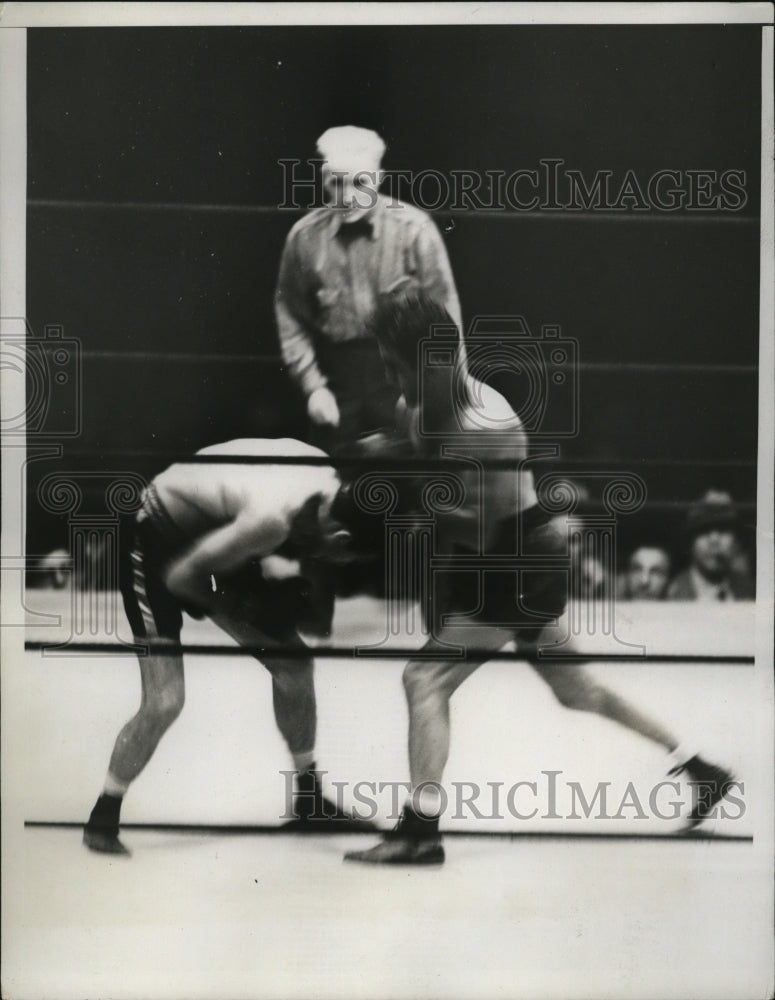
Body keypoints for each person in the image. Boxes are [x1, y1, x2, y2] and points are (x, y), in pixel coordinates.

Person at [344, 292, 735, 866]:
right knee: (579, 691)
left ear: (430, 363)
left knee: (424, 679)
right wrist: (382, 454)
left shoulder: (487, 426)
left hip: (517, 561)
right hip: (501, 559)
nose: (387, 377)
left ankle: (420, 830)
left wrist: (394, 494)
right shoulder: (420, 406)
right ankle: (700, 766)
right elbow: (428, 478)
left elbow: (474, 531)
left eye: (394, 365)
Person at [83, 438, 369, 856]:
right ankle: (103, 814)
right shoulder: (273, 518)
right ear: (341, 538)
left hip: (211, 536)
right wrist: (240, 602)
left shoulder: (324, 484)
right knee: (165, 700)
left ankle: (309, 798)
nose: (329, 564)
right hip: (154, 540)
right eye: (340, 560)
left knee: (294, 665)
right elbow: (183, 578)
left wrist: (257, 594)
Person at [274, 125, 462, 454]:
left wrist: (443, 391)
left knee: (409, 475)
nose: (347, 197)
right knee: (330, 476)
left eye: (359, 182)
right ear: (323, 179)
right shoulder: (303, 238)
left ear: (378, 178)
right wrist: (313, 387)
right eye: (336, 183)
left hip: (402, 375)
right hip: (337, 379)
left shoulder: (414, 229)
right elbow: (289, 312)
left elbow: (445, 313)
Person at [667, 490, 755, 601]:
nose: (714, 540)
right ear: (690, 542)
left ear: (736, 541)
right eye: (704, 530)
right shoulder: (672, 594)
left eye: (723, 529)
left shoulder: (749, 590)